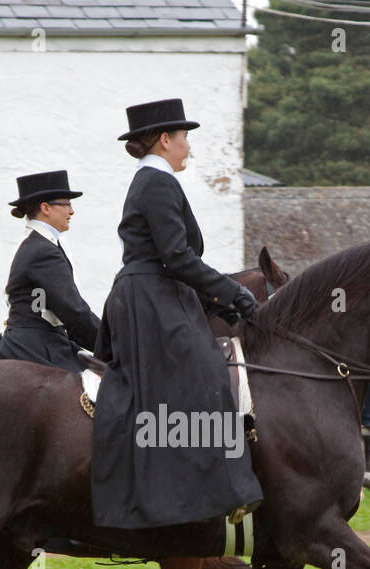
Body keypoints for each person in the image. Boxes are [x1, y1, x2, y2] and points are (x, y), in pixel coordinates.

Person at [90, 98, 263, 529]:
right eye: (185, 138)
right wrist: (234, 293)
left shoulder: (155, 181)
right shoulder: (157, 182)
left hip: (154, 292)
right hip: (150, 297)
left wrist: (214, 298)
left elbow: (176, 260)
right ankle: (223, 491)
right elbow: (177, 256)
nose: (189, 147)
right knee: (207, 370)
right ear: (165, 140)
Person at [0, 170, 100, 373]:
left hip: (43, 341)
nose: (72, 211)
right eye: (66, 204)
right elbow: (74, 311)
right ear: (45, 208)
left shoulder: (39, 244)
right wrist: (114, 344)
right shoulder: (43, 250)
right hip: (35, 347)